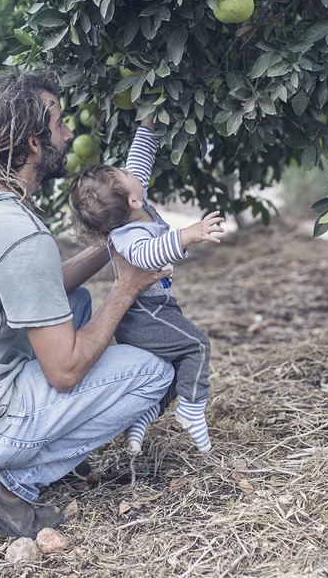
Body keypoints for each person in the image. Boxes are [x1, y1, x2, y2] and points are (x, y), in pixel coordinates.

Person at [0, 69, 174, 540]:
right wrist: (127, 288)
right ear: (34, 144)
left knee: (76, 300)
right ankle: (8, 481)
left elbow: (36, 287)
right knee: (152, 373)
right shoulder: (15, 229)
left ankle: (19, 455)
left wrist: (111, 240)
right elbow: (64, 371)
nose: (68, 134)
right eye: (59, 124)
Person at [68, 117, 224, 454]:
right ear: (132, 201)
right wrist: (187, 235)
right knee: (196, 347)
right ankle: (192, 409)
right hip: (142, 315)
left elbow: (140, 160)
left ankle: (143, 419)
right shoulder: (129, 236)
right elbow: (147, 254)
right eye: (126, 177)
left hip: (158, 308)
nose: (132, 174)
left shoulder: (137, 209)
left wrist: (148, 127)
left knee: (170, 370)